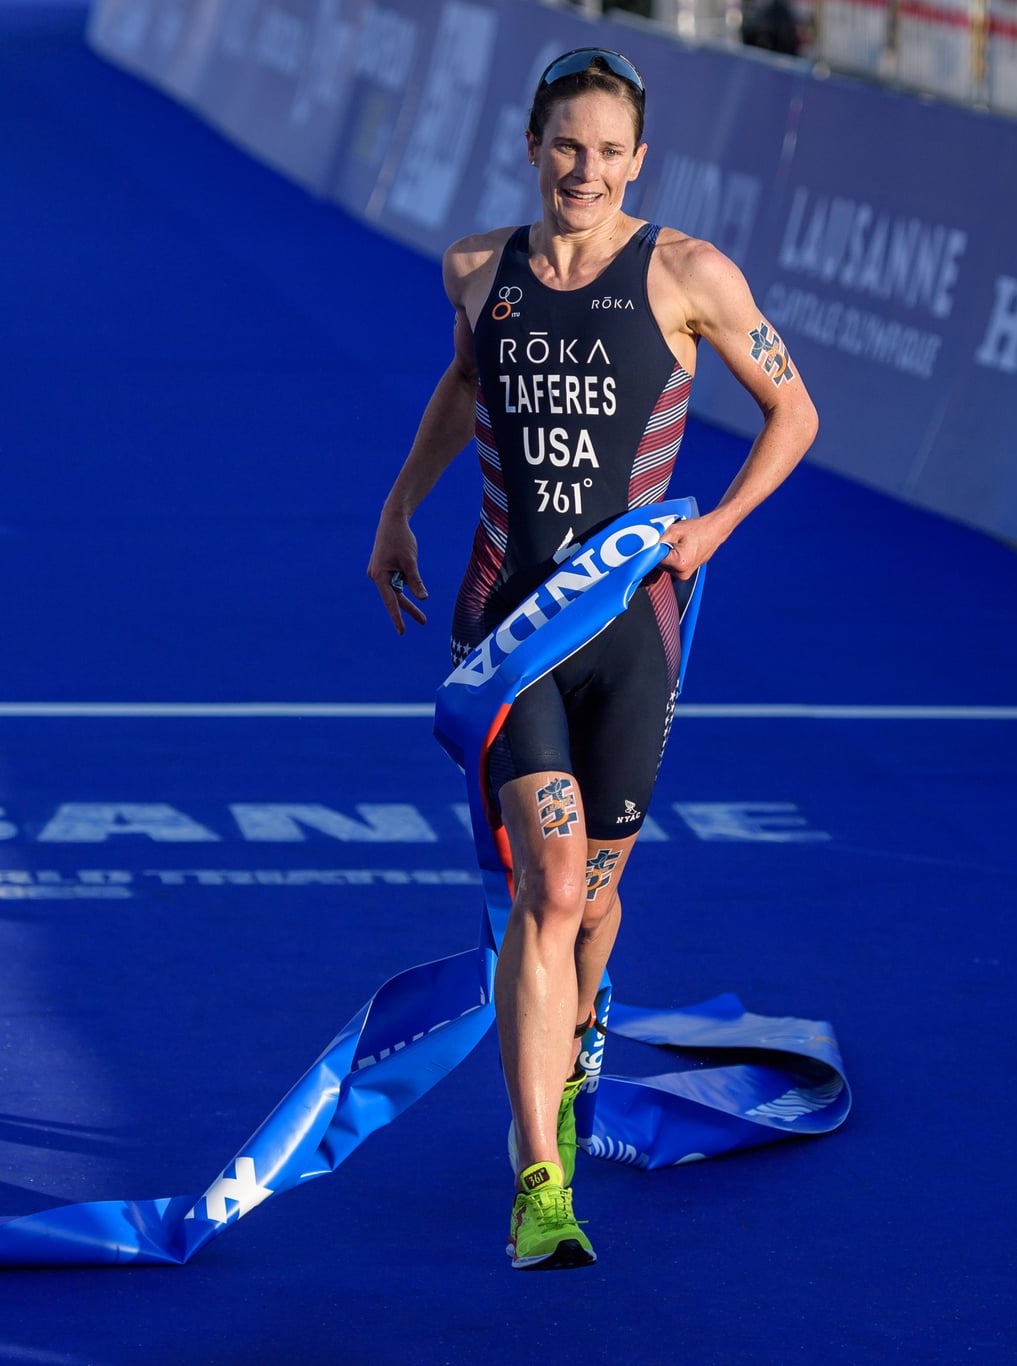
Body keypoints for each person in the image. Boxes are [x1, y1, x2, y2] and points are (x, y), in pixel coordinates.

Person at [365, 46, 818, 1269]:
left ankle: (574, 1052)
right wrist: (401, 503)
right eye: (567, 144)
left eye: (610, 151)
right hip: (507, 631)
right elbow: (464, 392)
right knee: (549, 889)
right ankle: (536, 1174)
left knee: (598, 901)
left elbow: (796, 410)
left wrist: (713, 526)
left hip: (633, 637)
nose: (586, 169)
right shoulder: (477, 272)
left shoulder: (685, 274)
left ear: (639, 161)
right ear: (531, 146)